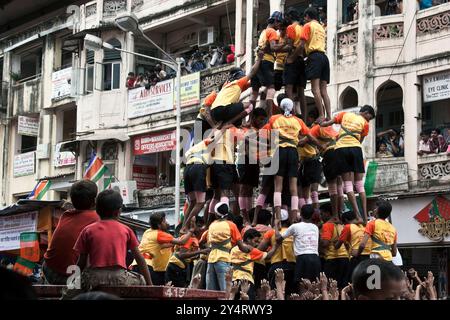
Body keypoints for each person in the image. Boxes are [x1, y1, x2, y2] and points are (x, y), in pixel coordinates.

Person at [74, 190, 152, 290]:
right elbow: (140, 259)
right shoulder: (126, 230)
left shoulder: (87, 230)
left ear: (97, 210)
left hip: (93, 278)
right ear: (119, 211)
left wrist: (74, 282)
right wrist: (150, 285)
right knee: (140, 279)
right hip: (119, 277)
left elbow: (81, 261)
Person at [262, 98, 321, 223]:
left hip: (279, 151)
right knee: (293, 187)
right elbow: (310, 136)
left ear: (281, 107)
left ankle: (277, 217)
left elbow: (265, 136)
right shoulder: (298, 121)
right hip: (293, 152)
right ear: (292, 108)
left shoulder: (274, 119)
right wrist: (321, 146)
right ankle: (294, 217)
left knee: (278, 187)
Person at [320, 105, 376, 221]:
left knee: (348, 184)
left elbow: (327, 123)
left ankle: (357, 216)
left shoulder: (344, 114)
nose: (368, 120)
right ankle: (365, 217)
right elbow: (359, 141)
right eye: (369, 117)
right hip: (355, 149)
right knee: (359, 185)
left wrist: (321, 123)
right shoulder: (365, 124)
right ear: (365, 112)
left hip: (341, 149)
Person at [43, 180, 100, 285]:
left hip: (49, 268)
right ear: (94, 201)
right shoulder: (97, 219)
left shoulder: (66, 215)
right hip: (69, 276)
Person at [201, 202, 252, 291]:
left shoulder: (212, 225)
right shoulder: (231, 225)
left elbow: (201, 242)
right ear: (227, 214)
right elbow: (241, 247)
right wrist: (249, 249)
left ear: (216, 214)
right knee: (225, 291)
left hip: (211, 260)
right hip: (223, 259)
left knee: (211, 292)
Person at [131, 212, 193, 285]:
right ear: (159, 225)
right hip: (146, 266)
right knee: (150, 291)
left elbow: (164, 245)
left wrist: (177, 240)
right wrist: (191, 231)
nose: (167, 223)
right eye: (164, 221)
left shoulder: (148, 232)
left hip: (136, 265)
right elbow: (182, 242)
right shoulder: (160, 234)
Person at [292, 7, 330, 120]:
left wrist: (293, 57)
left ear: (307, 16)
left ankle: (321, 115)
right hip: (324, 57)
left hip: (314, 57)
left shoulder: (308, 26)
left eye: (305, 17)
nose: (304, 19)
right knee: (324, 90)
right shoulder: (321, 27)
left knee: (315, 89)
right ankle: (329, 116)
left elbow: (302, 44)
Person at [251, 11, 291, 118]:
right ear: (276, 21)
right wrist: (285, 45)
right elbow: (273, 47)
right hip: (266, 62)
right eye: (279, 23)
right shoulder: (272, 31)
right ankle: (269, 117)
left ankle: (250, 118)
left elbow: (267, 48)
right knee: (271, 88)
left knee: (254, 92)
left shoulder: (263, 32)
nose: (279, 27)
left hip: (258, 62)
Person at [210, 51, 264, 126]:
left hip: (214, 113)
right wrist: (259, 59)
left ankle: (224, 125)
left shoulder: (226, 85)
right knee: (250, 106)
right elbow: (251, 73)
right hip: (223, 109)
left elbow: (253, 83)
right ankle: (232, 122)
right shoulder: (238, 82)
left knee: (238, 122)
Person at [236, 108, 268, 224]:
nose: (262, 122)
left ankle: (249, 214)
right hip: (245, 160)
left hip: (254, 161)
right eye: (260, 119)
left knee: (250, 190)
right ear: (254, 118)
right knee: (244, 189)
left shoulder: (258, 130)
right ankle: (245, 217)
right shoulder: (248, 129)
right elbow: (247, 140)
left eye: (263, 120)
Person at [230, 228, 280, 300]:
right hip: (246, 281)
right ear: (248, 239)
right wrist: (276, 245)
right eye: (255, 241)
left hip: (233, 281)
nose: (257, 244)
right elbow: (268, 256)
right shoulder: (250, 250)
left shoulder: (233, 249)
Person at [277, 205, 321, 284]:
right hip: (315, 258)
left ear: (300, 214)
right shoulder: (315, 227)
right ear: (312, 215)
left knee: (302, 285)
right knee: (315, 285)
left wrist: (276, 225)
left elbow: (278, 239)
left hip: (302, 258)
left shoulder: (295, 226)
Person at [259, 209, 296, 297]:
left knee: (274, 294)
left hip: (276, 265)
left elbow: (260, 249)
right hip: (292, 266)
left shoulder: (271, 232)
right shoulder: (293, 232)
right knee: (291, 294)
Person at [165, 221, 211, 287]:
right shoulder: (189, 238)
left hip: (181, 266)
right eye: (199, 226)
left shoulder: (195, 239)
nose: (202, 228)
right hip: (175, 266)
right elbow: (182, 255)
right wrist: (201, 251)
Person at [335, 210, 371, 284]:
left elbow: (338, 245)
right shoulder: (364, 227)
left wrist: (334, 242)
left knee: (352, 282)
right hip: (369, 257)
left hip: (357, 257)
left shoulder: (348, 227)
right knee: (368, 282)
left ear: (346, 220)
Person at [284, 7, 307, 118]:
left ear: (289, 17)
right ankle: (305, 118)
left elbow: (289, 46)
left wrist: (276, 49)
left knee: (289, 88)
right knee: (301, 92)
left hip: (293, 59)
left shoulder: (291, 28)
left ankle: (291, 115)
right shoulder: (303, 28)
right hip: (302, 59)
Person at [320, 203, 349, 289]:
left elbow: (325, 243)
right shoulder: (341, 225)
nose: (321, 216)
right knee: (344, 287)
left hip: (332, 259)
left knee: (332, 288)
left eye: (322, 214)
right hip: (345, 258)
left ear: (328, 213)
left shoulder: (327, 225)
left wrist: (318, 238)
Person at [298, 109, 323, 210]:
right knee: (304, 192)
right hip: (304, 163)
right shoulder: (296, 133)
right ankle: (306, 212)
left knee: (313, 191)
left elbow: (302, 142)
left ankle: (316, 212)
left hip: (313, 161)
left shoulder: (308, 131)